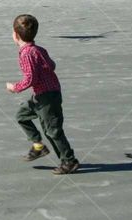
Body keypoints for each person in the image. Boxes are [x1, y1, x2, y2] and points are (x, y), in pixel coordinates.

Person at [6, 14, 79, 175]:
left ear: (16, 35)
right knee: (22, 115)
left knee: (53, 131)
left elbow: (31, 78)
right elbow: (52, 65)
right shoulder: (39, 49)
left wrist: (15, 88)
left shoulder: (26, 53)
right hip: (43, 95)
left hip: (47, 97)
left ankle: (69, 161)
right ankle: (38, 146)